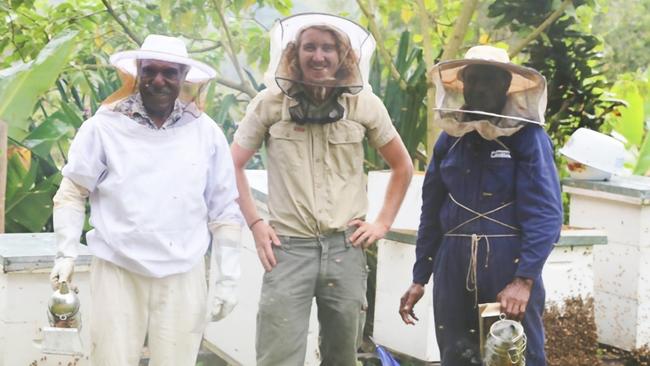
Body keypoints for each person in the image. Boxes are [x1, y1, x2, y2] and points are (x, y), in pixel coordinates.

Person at [48, 34, 242, 366]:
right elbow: (72, 191)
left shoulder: (206, 132)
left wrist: (228, 277)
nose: (159, 80)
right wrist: (65, 253)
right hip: (117, 269)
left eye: (170, 72)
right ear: (137, 72)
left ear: (183, 77)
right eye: (151, 70)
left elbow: (224, 210)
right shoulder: (103, 127)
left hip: (184, 271)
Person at [230, 13, 413, 366]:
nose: (318, 56)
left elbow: (402, 166)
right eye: (309, 47)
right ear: (294, 54)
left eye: (328, 47)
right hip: (287, 248)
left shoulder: (364, 104)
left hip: (345, 248)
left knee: (342, 356)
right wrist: (255, 224)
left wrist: (382, 224)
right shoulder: (270, 103)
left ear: (343, 54)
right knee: (277, 355)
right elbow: (231, 164)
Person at [398, 45, 563, 366]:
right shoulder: (450, 139)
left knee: (515, 354)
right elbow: (431, 211)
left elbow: (545, 213)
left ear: (504, 86)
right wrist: (420, 277)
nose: (480, 88)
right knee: (457, 352)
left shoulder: (527, 137)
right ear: (462, 85)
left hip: (507, 263)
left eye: (489, 80)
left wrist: (523, 280)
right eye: (473, 80)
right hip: (452, 263)